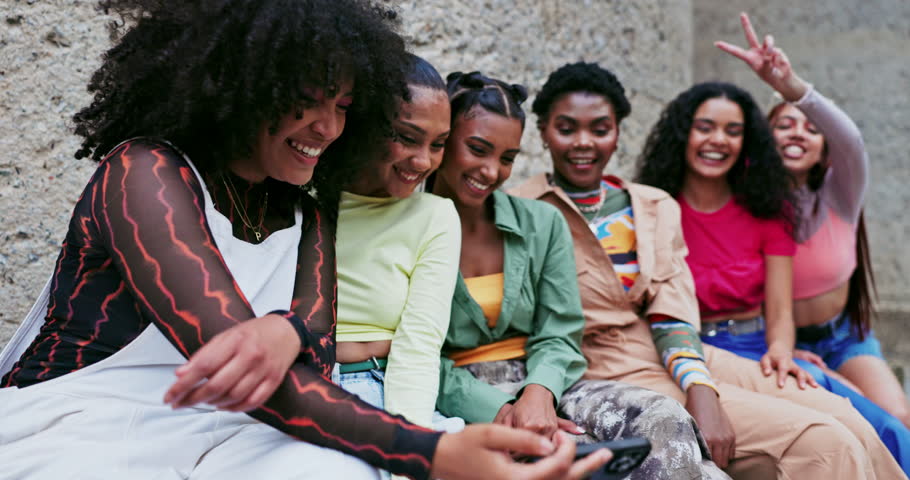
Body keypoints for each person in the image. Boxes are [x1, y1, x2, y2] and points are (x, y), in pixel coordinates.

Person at [0, 2, 610, 479]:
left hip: (222, 429)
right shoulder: (144, 175)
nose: (329, 127)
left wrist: (288, 330)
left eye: (345, 106)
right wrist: (433, 453)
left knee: (337, 469)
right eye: (307, 101)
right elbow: (241, 366)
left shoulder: (304, 214)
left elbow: (314, 345)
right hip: (80, 421)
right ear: (239, 84)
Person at [512, 60, 907, 479]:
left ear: (617, 133)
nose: (583, 143)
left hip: (681, 349)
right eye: (567, 128)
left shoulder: (651, 205)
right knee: (825, 440)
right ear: (542, 132)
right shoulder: (522, 209)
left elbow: (671, 313)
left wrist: (700, 387)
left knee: (852, 420)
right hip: (606, 365)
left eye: (600, 129)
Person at [430, 70, 729, 480]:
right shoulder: (411, 229)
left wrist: (538, 393)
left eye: (507, 158)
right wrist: (498, 408)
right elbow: (412, 356)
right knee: (581, 460)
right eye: (477, 149)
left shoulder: (540, 222)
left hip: (549, 380)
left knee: (664, 417)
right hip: (460, 392)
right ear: (444, 141)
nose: (491, 170)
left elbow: (559, 329)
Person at [636, 62, 910, 473]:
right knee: (824, 435)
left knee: (885, 425)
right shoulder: (650, 208)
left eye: (733, 131)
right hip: (690, 353)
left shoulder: (770, 211)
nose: (718, 140)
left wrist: (781, 349)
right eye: (705, 127)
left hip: (765, 349)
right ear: (682, 134)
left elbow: (779, 310)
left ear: (747, 143)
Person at [716, 12, 910, 428]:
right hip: (771, 342)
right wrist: (781, 345)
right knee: (855, 421)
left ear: (825, 151)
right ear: (764, 142)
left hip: (844, 339)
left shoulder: (841, 195)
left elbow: (852, 141)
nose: (797, 133)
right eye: (783, 125)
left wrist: (790, 88)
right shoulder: (748, 205)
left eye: (810, 128)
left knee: (897, 416)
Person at [335, 54, 462, 436]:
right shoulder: (305, 197)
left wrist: (409, 452)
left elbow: (419, 346)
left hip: (381, 390)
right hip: (299, 388)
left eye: (438, 145)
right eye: (407, 138)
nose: (423, 161)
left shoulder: (435, 217)